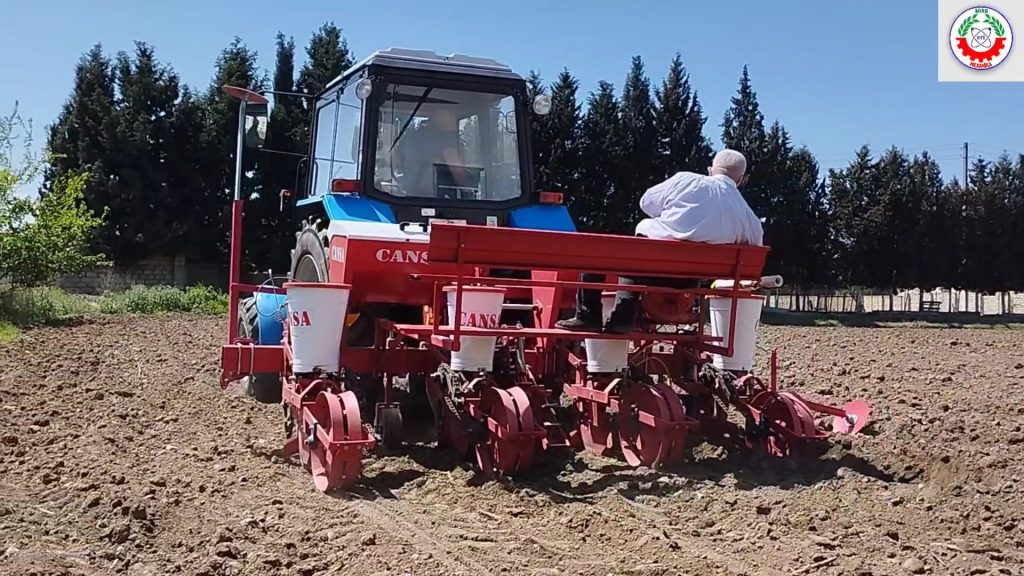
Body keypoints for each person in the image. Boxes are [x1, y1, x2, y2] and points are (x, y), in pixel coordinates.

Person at [556, 149, 764, 333]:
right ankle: (622, 317)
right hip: (692, 280)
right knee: (638, 258)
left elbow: (646, 203)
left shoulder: (687, 180)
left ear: (710, 170)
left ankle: (596, 315)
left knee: (602, 254)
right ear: (741, 180)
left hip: (652, 267)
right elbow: (756, 246)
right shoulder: (747, 214)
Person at [396, 106, 464, 196]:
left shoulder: (409, 136)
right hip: (432, 197)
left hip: (407, 196)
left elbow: (397, 160)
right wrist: (468, 189)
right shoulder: (446, 138)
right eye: (452, 115)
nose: (453, 120)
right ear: (443, 117)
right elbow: (456, 169)